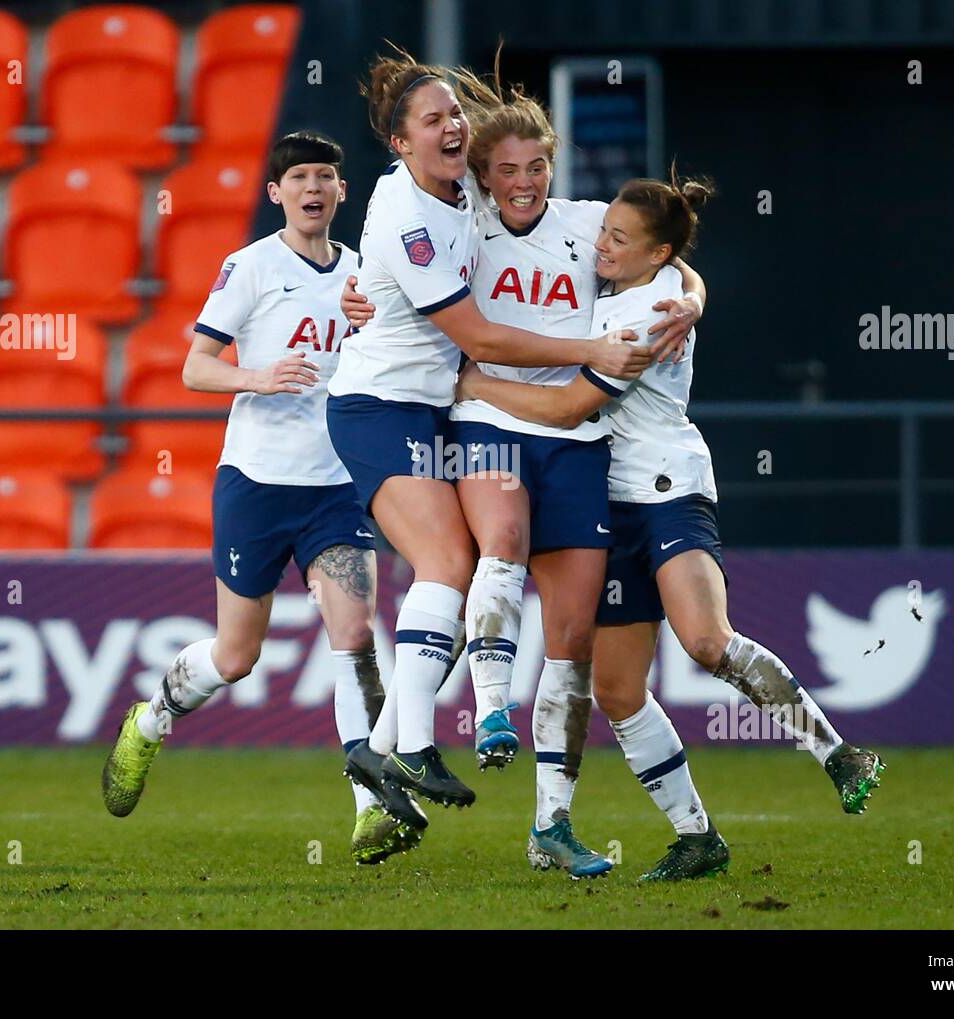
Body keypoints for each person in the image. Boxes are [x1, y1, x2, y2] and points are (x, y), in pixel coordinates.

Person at [457, 170, 886, 880]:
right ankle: (698, 836)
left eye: (619, 239)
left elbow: (570, 410)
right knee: (619, 689)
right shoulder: (633, 284)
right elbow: (683, 272)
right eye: (605, 231)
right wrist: (695, 290)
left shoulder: (647, 314)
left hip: (666, 490)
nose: (602, 246)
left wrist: (473, 384)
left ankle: (839, 753)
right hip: (607, 501)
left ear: (653, 255)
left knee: (707, 640)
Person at [341, 63, 703, 878]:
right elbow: (471, 331)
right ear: (481, 177)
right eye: (505, 169)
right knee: (489, 542)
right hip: (479, 421)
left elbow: (664, 251)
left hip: (578, 443)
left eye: (535, 165)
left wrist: (692, 293)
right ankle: (487, 712)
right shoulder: (453, 216)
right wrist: (356, 298)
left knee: (571, 638)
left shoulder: (584, 225)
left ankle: (550, 824)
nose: (521, 181)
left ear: (552, 166)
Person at [100, 131, 420, 866]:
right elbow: (194, 368)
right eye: (300, 176)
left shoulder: (369, 276)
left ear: (342, 192)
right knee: (237, 654)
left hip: (338, 484)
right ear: (276, 193)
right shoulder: (249, 267)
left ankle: (370, 807)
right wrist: (260, 375)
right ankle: (149, 723)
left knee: (355, 635)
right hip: (256, 482)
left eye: (327, 176)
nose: (314, 187)